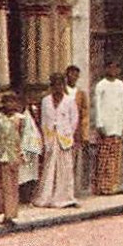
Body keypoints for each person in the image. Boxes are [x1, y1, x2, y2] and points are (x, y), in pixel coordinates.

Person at [36, 72, 80, 208]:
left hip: (64, 137)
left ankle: (65, 197)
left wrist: (68, 134)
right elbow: (44, 120)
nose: (58, 87)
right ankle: (47, 197)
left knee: (65, 167)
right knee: (49, 167)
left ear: (64, 85)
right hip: (50, 137)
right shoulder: (45, 101)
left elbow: (74, 120)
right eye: (55, 85)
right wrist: (45, 138)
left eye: (60, 84)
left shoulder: (69, 101)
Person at [0, 92, 28, 228]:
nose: (10, 105)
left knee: (10, 187)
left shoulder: (20, 118)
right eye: (7, 102)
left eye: (12, 102)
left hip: (12, 154)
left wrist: (21, 153)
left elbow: (23, 136)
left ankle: (8, 215)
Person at [91, 61, 123, 196]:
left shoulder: (120, 85)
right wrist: (99, 124)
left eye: (116, 67)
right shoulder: (100, 85)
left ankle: (113, 185)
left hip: (117, 124)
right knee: (104, 157)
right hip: (105, 126)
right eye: (110, 67)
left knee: (115, 157)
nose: (113, 70)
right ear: (106, 68)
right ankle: (102, 186)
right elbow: (98, 106)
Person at [65, 64, 90, 198]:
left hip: (76, 132)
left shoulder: (81, 94)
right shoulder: (62, 92)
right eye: (71, 74)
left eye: (76, 75)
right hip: (63, 130)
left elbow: (85, 114)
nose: (73, 77)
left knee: (74, 160)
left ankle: (74, 189)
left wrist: (85, 133)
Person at [18, 85, 43, 204]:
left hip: (32, 145)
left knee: (32, 173)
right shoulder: (17, 116)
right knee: (22, 174)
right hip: (20, 147)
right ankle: (23, 197)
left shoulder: (32, 111)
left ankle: (30, 196)